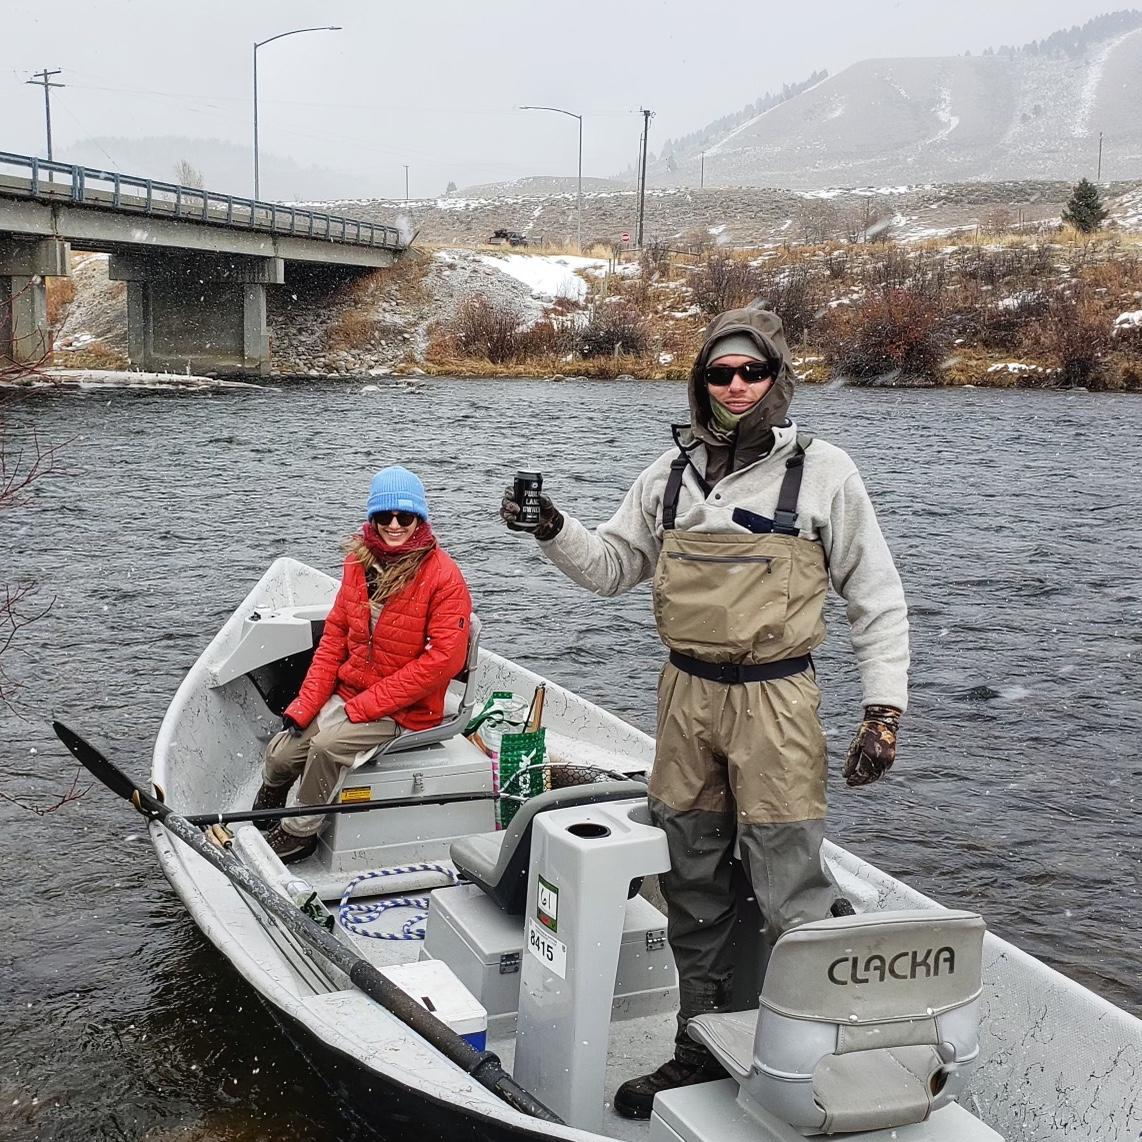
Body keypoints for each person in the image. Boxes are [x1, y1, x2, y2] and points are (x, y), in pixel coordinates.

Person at [500, 306, 908, 1120]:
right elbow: (613, 567)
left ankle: (809, 1059)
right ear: (701, 382)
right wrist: (551, 528)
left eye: (750, 372)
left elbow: (877, 598)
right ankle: (698, 1044)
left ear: (776, 380)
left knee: (789, 884)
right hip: (684, 702)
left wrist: (883, 711)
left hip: (778, 702)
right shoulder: (669, 474)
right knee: (689, 881)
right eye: (719, 373)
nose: (734, 386)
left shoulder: (827, 473)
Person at [253, 465, 472, 864]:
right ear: (371, 518)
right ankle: (269, 801)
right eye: (384, 516)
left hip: (403, 709)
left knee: (325, 749)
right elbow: (335, 637)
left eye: (404, 517)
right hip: (352, 692)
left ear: (419, 519)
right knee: (280, 754)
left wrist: (362, 708)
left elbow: (441, 663)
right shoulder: (358, 564)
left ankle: (299, 832)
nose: (394, 525)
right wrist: (306, 704)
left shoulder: (444, 577)